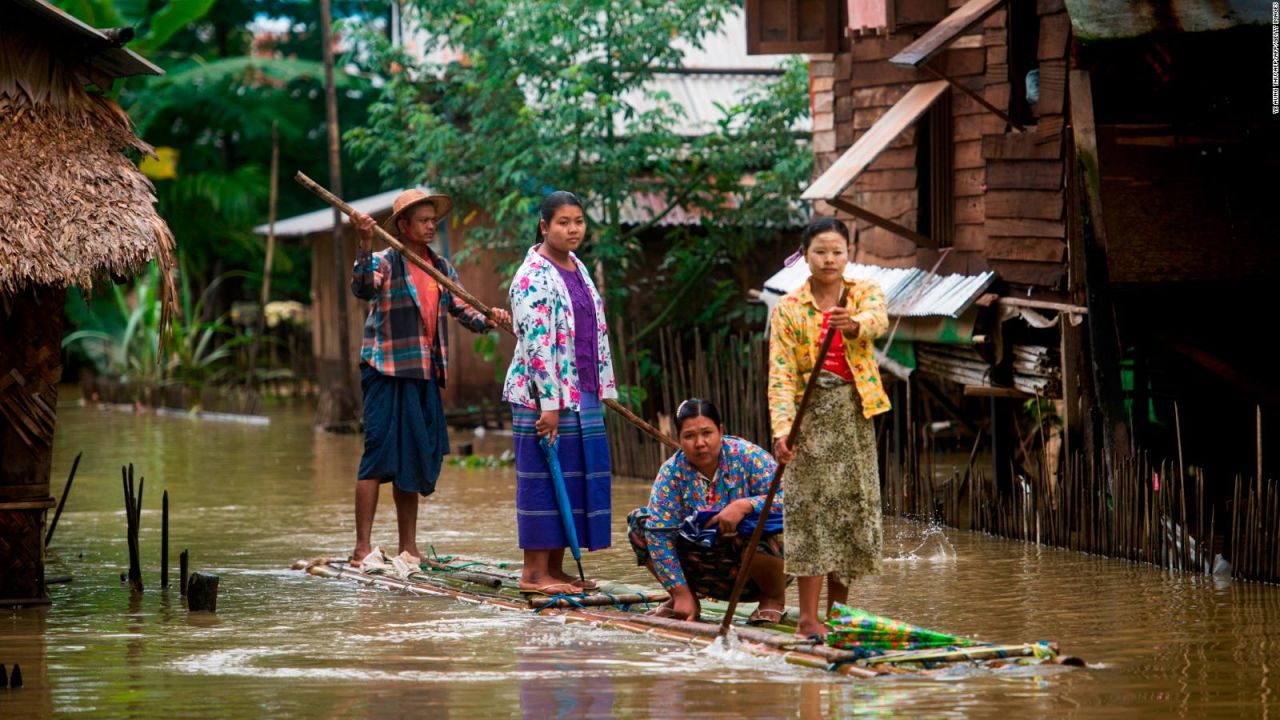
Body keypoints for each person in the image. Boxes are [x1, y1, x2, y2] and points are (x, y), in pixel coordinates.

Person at [348, 189, 509, 566]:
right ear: (403, 226)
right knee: (376, 456)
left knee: (412, 460)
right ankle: (361, 548)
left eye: (433, 219)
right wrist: (364, 239)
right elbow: (363, 287)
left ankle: (409, 548)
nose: (431, 225)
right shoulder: (384, 261)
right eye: (423, 220)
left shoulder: (441, 268)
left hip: (423, 373)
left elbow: (464, 309)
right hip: (386, 369)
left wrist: (490, 318)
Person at [767, 216, 891, 640]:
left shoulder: (861, 294)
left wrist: (853, 325)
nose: (830, 259)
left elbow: (879, 320)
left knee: (849, 513)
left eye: (837, 251)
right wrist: (783, 432)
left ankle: (837, 617)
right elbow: (781, 375)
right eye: (820, 251)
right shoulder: (788, 309)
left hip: (854, 417)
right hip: (809, 421)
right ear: (805, 256)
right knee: (810, 514)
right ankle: (806, 619)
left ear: (848, 254)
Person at [502, 191, 617, 595]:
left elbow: (591, 331)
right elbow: (536, 346)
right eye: (563, 222)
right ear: (544, 226)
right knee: (543, 478)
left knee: (571, 477)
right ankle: (534, 574)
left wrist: (601, 387)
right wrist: (548, 406)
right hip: (543, 397)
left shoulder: (578, 267)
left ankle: (556, 569)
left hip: (580, 389)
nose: (573, 229)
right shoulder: (532, 275)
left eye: (578, 221)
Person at [627, 398, 789, 623]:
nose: (700, 443)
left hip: (752, 573)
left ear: (720, 431)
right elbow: (658, 534)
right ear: (679, 439)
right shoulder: (671, 473)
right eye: (689, 436)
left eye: (707, 433)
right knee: (640, 524)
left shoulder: (749, 457)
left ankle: (773, 599)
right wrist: (680, 592)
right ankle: (686, 597)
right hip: (703, 572)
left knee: (758, 528)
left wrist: (745, 505)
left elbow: (792, 499)